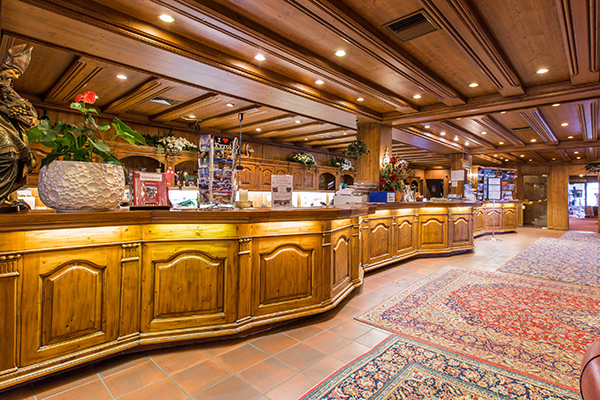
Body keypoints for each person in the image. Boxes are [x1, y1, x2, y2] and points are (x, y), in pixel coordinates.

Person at [0, 44, 38, 205]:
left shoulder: (8, 89)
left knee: (13, 159)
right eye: (14, 72)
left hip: (9, 127)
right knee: (8, 157)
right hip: (4, 128)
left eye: (17, 74)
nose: (15, 77)